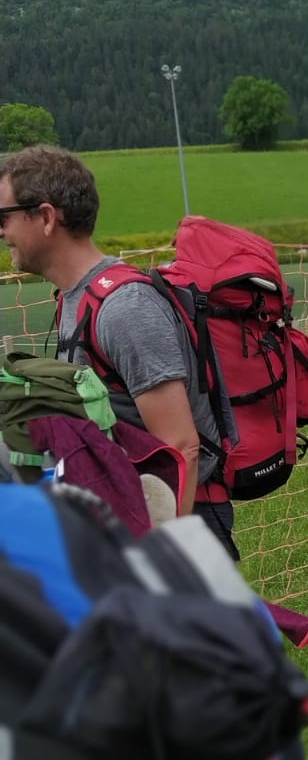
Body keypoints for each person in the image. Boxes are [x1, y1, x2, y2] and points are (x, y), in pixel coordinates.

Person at [0, 144, 237, 560]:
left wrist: (155, 560)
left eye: (3, 218)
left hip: (176, 522)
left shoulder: (124, 308)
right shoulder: (76, 297)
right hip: (130, 516)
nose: (1, 233)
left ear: (47, 217)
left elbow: (181, 445)